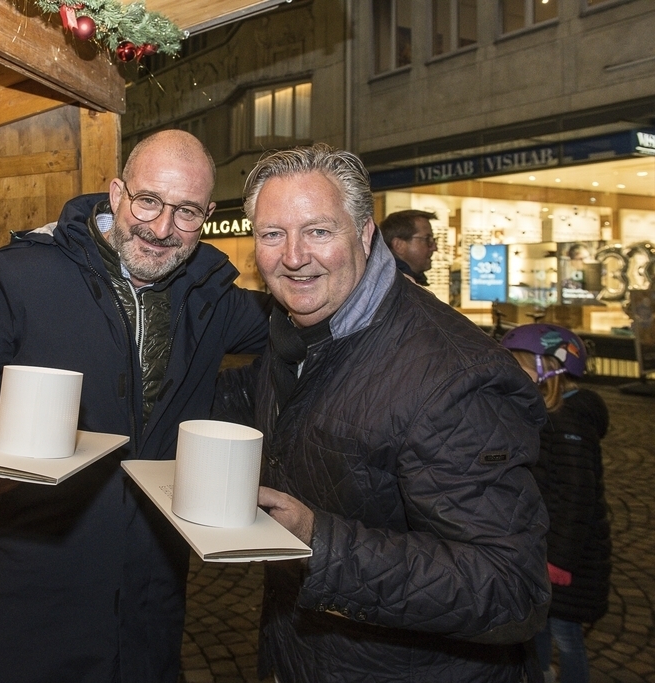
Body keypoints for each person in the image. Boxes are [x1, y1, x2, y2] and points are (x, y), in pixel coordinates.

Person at [0, 129, 270, 683]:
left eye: (186, 212)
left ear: (208, 214)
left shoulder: (213, 296)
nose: (162, 228)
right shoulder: (26, 275)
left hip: (151, 601)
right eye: (148, 201)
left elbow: (307, 321)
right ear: (116, 193)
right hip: (34, 598)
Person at [213, 144, 551, 682]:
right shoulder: (298, 331)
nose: (294, 256)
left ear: (366, 235)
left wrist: (319, 543)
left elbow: (509, 585)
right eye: (272, 234)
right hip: (302, 654)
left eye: (319, 231)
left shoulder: (450, 376)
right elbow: (271, 404)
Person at [500, 324, 612, 683]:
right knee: (538, 629)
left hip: (567, 561)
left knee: (567, 636)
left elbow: (578, 499)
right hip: (544, 552)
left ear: (550, 369)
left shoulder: (567, 425)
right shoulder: (543, 417)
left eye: (520, 365)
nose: (513, 373)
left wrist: (559, 561)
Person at [379, 208, 438, 286]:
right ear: (398, 245)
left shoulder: (398, 283)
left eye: (433, 240)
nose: (434, 248)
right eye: (427, 239)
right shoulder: (394, 287)